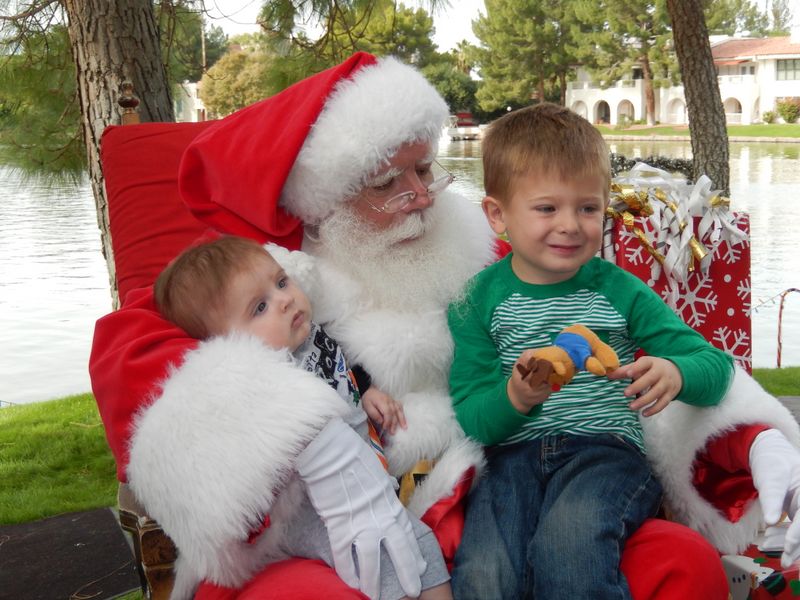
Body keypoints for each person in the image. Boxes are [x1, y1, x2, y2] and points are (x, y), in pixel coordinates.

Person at [89, 52, 800, 600]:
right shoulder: (279, 283)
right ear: (327, 198)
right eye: (385, 183)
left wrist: (740, 426)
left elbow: (647, 338)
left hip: (514, 470)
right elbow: (145, 360)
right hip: (383, 507)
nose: (420, 198)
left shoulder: (486, 254)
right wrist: (330, 457)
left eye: (426, 170)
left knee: (675, 562)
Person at [446, 103, 736, 599]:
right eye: (546, 208)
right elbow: (472, 415)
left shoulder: (619, 290)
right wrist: (515, 397)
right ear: (498, 214)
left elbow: (716, 365)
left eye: (587, 208)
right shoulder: (475, 301)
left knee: (569, 551)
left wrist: (674, 369)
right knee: (485, 574)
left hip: (603, 453)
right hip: (509, 459)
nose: (571, 225)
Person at [147, 235, 447, 600]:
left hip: (367, 472)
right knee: (384, 554)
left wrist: (366, 392)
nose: (285, 299)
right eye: (259, 307)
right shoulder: (266, 377)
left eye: (280, 282)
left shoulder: (313, 334)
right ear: (226, 345)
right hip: (310, 509)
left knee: (414, 543)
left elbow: (342, 366)